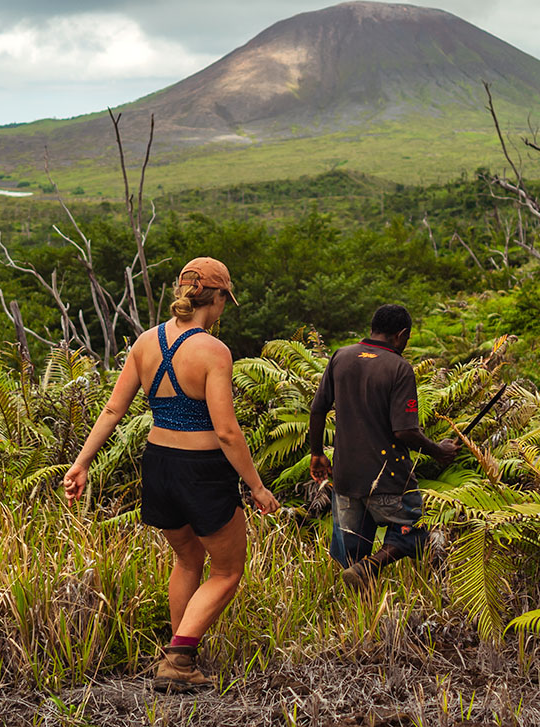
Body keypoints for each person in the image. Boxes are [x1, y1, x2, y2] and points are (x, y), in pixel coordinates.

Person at [64, 256, 279, 691]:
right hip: (201, 471)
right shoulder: (214, 351)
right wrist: (256, 486)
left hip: (158, 464)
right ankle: (179, 659)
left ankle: (179, 654)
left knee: (187, 558)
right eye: (225, 301)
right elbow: (226, 431)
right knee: (227, 571)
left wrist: (81, 462)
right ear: (216, 298)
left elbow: (113, 409)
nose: (223, 309)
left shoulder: (146, 341)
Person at [308, 304, 457, 589]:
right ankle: (371, 567)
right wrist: (438, 450)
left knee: (350, 551)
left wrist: (317, 453)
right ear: (401, 334)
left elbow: (317, 409)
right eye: (407, 338)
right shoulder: (399, 368)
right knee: (413, 531)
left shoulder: (341, 356)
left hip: (346, 476)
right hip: (387, 477)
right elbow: (404, 431)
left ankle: (358, 600)